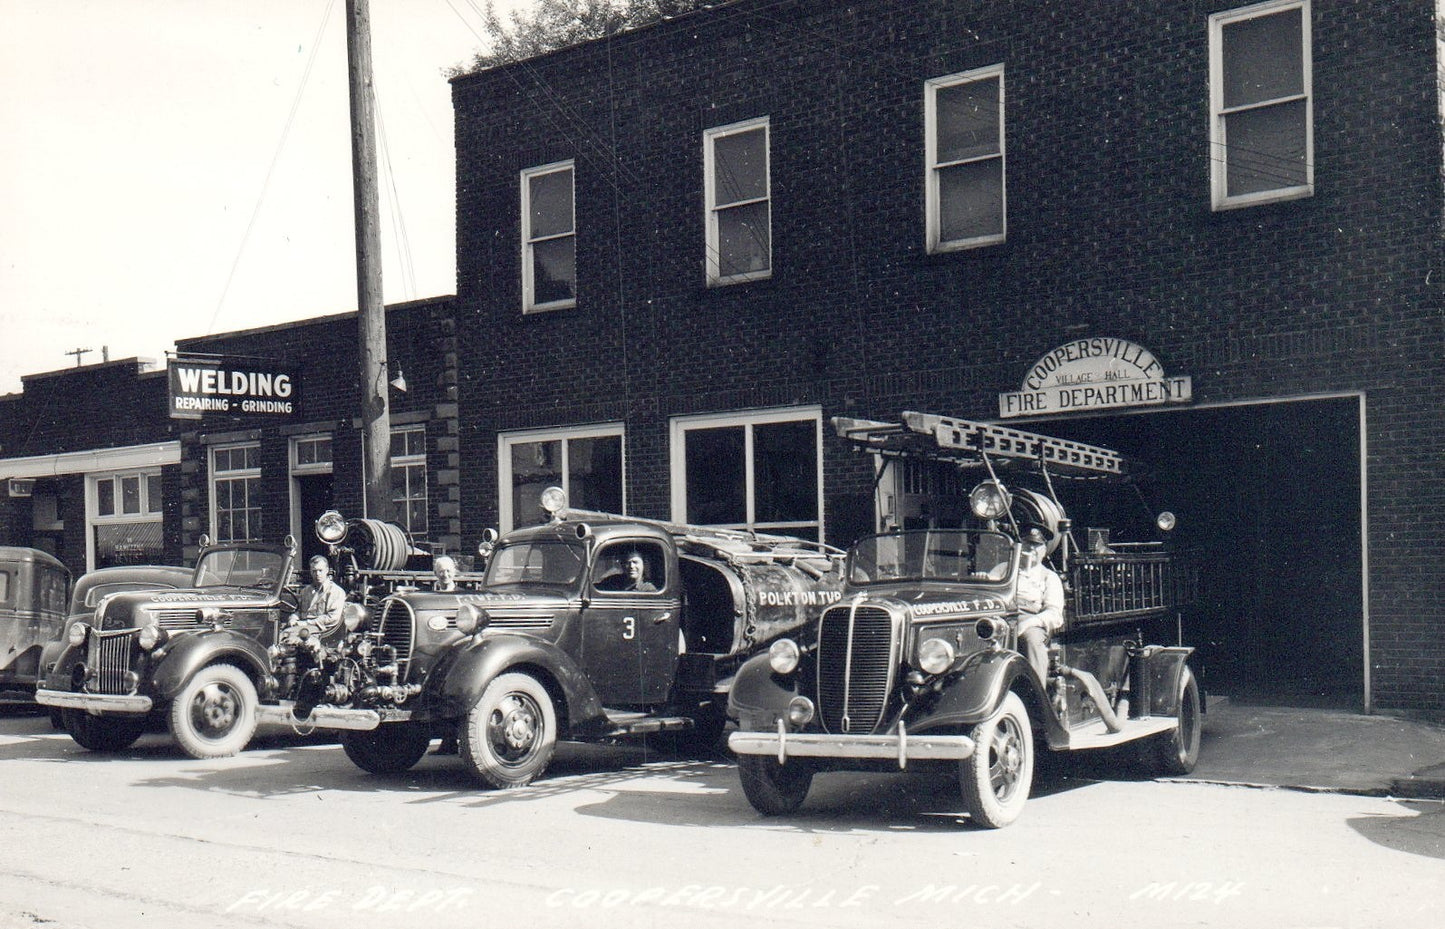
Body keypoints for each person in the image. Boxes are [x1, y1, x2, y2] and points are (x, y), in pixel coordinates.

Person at [1014, 526, 1064, 682]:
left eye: (1037, 545)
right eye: (1028, 544)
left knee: (1032, 640)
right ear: (1020, 546)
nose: (1032, 549)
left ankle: (1036, 695)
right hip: (1003, 617)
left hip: (1033, 621)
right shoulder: (1003, 569)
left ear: (1044, 550)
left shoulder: (1049, 577)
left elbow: (1054, 614)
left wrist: (1029, 623)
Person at [287, 554, 347, 642]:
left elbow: (332, 618)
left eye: (320, 570)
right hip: (303, 628)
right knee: (282, 634)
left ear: (327, 570)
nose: (317, 574)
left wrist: (306, 623)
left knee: (290, 639)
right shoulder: (306, 591)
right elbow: (299, 611)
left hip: (322, 632)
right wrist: (293, 618)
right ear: (311, 572)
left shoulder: (336, 592)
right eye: (314, 571)